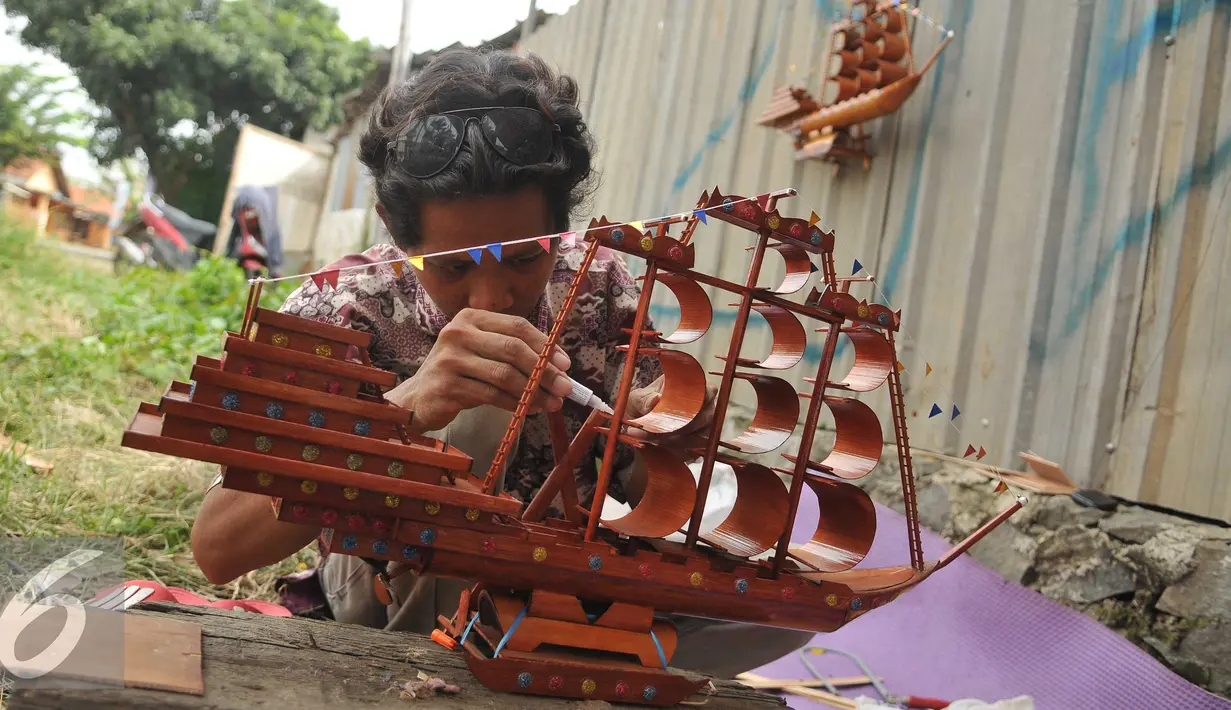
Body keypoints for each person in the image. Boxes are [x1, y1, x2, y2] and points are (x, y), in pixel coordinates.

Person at [191, 47, 813, 679]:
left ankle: (567, 656)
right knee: (480, 416)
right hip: (398, 604)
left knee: (785, 603)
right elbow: (217, 547)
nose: (493, 300)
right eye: (454, 267)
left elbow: (652, 494)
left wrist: (664, 435)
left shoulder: (598, 285)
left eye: (524, 258)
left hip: (566, 581)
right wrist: (402, 414)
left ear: (562, 227)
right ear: (397, 233)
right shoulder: (339, 310)